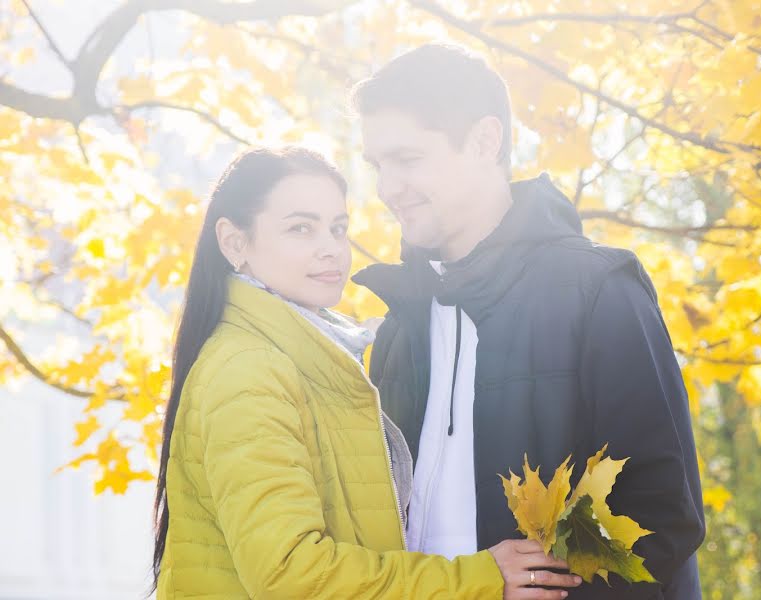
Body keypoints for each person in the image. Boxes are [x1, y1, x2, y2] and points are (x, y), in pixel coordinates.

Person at [352, 44, 706, 599]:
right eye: (377, 166)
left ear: (484, 141)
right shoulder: (399, 327)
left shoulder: (598, 292)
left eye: (408, 159)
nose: (386, 188)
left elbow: (662, 519)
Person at [151, 146, 581, 599]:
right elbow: (289, 574)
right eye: (301, 228)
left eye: (337, 229)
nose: (330, 250)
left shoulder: (310, 358)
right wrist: (477, 580)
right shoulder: (249, 371)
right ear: (235, 242)